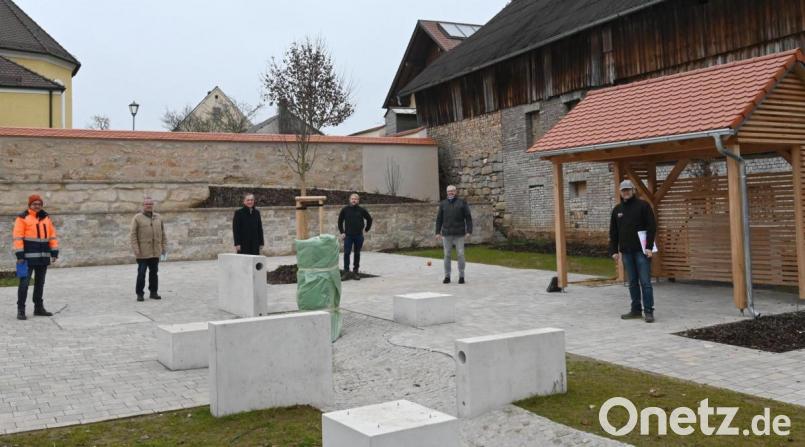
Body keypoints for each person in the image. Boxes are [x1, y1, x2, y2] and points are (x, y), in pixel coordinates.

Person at [609, 179, 657, 323]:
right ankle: (636, 310)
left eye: (628, 189)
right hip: (626, 252)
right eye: (623, 190)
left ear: (633, 190)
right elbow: (613, 232)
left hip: (641, 252)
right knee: (632, 282)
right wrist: (614, 250)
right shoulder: (617, 210)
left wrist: (648, 247)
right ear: (620, 192)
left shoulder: (643, 206)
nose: (626, 192)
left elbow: (651, 227)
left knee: (645, 282)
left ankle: (649, 311)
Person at [12, 194, 58, 320]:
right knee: (24, 284)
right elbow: (17, 237)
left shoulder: (46, 218)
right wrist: (20, 255)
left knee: (40, 283)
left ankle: (38, 308)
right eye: (34, 204)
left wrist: (54, 252)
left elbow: (52, 236)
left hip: (43, 258)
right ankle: (21, 310)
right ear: (30, 205)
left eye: (39, 204)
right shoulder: (22, 218)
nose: (37, 206)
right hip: (26, 258)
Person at [130, 197, 167, 302]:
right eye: (147, 204)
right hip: (142, 252)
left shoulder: (158, 217)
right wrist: (136, 249)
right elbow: (133, 235)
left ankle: (153, 292)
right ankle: (140, 294)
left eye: (150, 204)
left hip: (155, 251)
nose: (149, 205)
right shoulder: (137, 218)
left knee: (154, 273)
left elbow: (163, 233)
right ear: (143, 205)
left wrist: (164, 247)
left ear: (153, 205)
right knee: (141, 273)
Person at [435, 185, 472, 284]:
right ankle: (447, 276)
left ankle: (461, 276)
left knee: (460, 254)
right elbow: (439, 219)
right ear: (447, 193)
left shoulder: (462, 203)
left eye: (452, 191)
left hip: (459, 233)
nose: (450, 193)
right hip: (446, 234)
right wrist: (437, 232)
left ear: (455, 192)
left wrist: (469, 231)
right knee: (447, 255)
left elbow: (468, 217)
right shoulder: (443, 204)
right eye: (448, 191)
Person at [338, 193, 372, 280]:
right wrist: (342, 232)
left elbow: (369, 219)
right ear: (350, 200)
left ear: (358, 200)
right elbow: (340, 221)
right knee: (347, 253)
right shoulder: (345, 210)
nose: (354, 200)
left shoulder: (361, 210)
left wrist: (367, 229)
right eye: (352, 199)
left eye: (355, 199)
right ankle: (346, 272)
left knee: (357, 253)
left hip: (358, 236)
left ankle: (355, 272)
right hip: (348, 236)